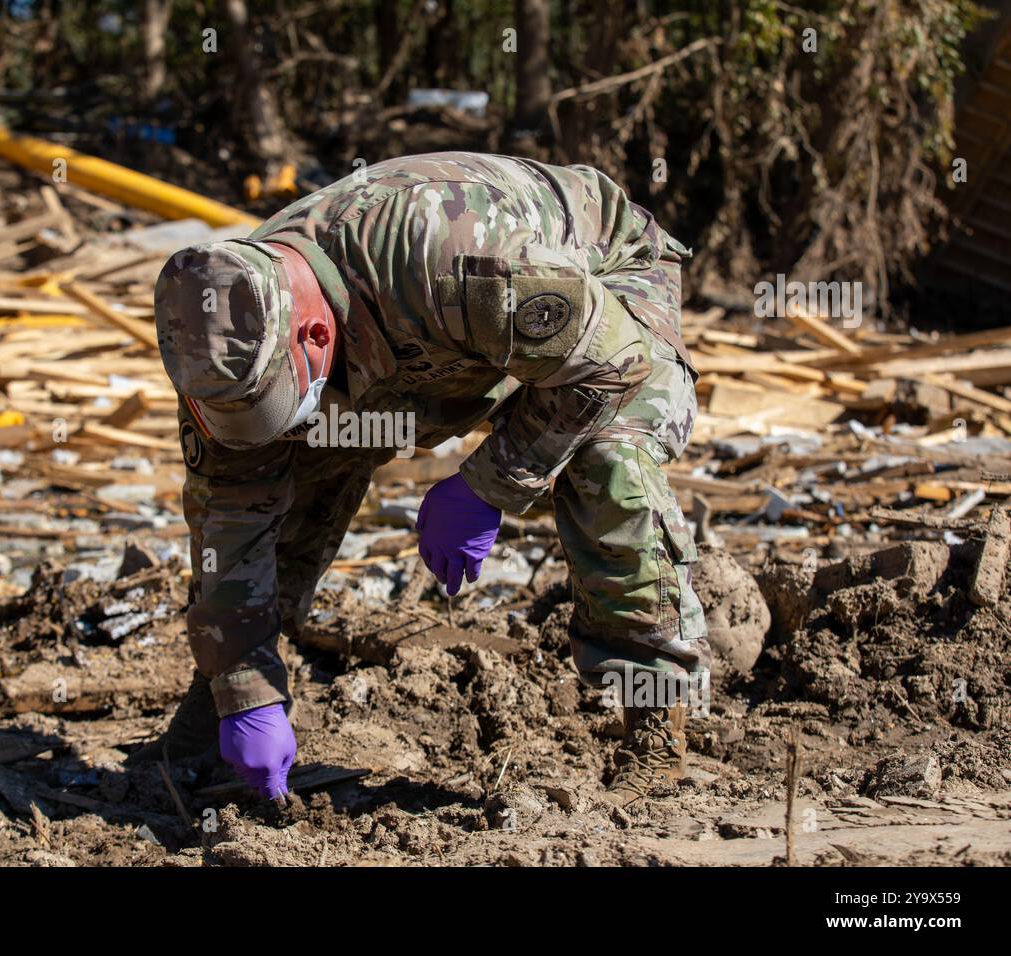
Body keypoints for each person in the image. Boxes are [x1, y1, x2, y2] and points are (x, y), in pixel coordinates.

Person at [150, 152, 710, 808]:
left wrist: (487, 486)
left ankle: (656, 733)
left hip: (603, 287)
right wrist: (242, 688)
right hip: (435, 347)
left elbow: (609, 366)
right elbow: (230, 519)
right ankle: (218, 719)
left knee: (605, 464)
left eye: (272, 397)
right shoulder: (218, 342)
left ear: (311, 332)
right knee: (295, 458)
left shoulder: (463, 258)